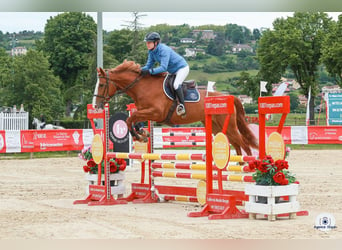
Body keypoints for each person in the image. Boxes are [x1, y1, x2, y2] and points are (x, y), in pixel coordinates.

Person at [140, 32, 189, 116]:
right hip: (172, 71)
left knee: (176, 85)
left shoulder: (164, 50)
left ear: (156, 42)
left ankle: (182, 106)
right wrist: (139, 70)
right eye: (147, 42)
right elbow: (148, 65)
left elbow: (163, 68)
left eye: (149, 42)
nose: (147, 44)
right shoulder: (151, 51)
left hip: (182, 68)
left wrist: (150, 72)